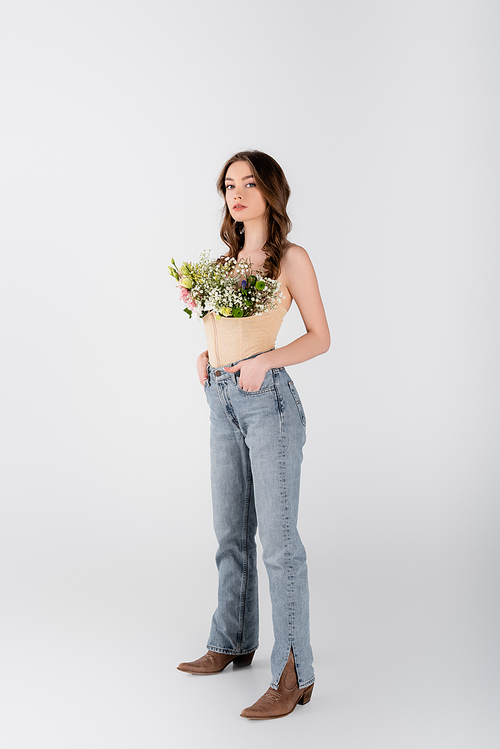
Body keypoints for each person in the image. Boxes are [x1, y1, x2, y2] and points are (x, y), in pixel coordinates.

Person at [177, 150, 330, 719]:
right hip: (221, 401)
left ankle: (294, 670)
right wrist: (205, 354)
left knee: (278, 541)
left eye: (247, 183)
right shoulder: (222, 265)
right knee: (230, 533)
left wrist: (267, 360)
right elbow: (226, 329)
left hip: (268, 405)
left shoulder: (290, 259)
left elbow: (319, 336)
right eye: (228, 185)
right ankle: (232, 641)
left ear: (270, 191)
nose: (235, 194)